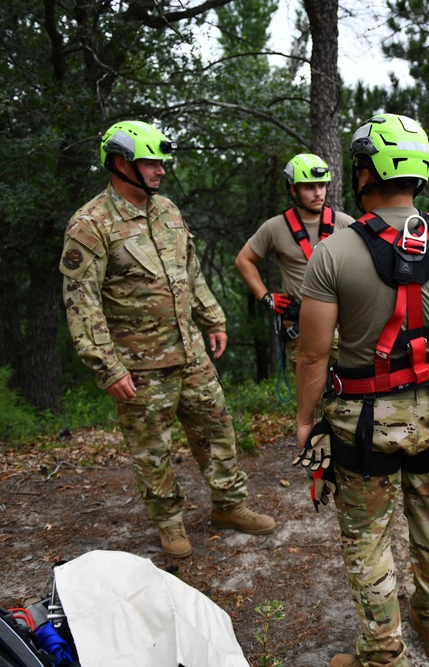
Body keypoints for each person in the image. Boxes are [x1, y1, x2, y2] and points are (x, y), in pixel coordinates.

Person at [293, 113, 429, 667]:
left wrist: (307, 420)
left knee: (367, 538)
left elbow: (312, 353)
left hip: (360, 420)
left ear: (366, 173)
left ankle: (383, 652)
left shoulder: (332, 252)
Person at [60, 120, 276, 560]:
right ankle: (170, 524)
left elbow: (189, 273)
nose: (160, 170)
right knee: (152, 450)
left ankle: (230, 506)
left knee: (217, 429)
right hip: (138, 366)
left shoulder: (168, 211)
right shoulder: (91, 224)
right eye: (151, 162)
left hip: (191, 352)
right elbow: (81, 302)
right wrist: (107, 365)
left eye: (160, 162)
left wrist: (212, 318)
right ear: (122, 164)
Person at [234, 153, 355, 376]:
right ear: (293, 189)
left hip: (344, 324)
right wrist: (266, 296)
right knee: (312, 397)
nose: (318, 193)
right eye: (309, 187)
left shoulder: (344, 223)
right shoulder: (275, 228)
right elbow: (244, 260)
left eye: (322, 185)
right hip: (302, 326)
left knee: (349, 395)